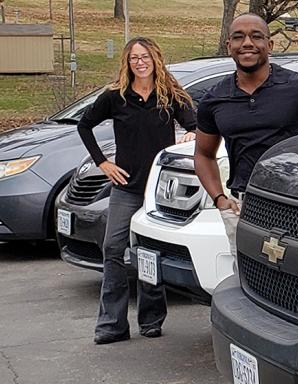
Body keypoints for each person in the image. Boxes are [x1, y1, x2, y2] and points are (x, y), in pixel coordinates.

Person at [77, 36, 197, 345]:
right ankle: (111, 325)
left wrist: (190, 135)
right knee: (114, 249)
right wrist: (103, 163)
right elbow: (84, 125)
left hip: (158, 192)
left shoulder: (170, 94)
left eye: (144, 57)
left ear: (155, 59)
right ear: (127, 63)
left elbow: (197, 125)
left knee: (150, 252)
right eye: (134, 58)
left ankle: (152, 319)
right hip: (126, 187)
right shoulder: (115, 96)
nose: (139, 62)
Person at [194, 13, 298, 258]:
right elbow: (203, 154)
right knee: (247, 279)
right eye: (238, 37)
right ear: (228, 45)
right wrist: (220, 199)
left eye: (256, 36)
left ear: (269, 45)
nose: (247, 43)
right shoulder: (214, 99)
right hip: (244, 206)